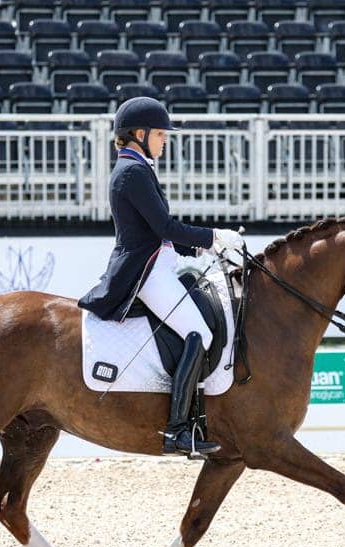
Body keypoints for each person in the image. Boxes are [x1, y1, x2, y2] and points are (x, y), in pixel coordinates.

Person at [78, 96, 245, 456]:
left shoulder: (135, 168)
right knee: (198, 332)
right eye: (160, 133)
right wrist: (213, 236)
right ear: (139, 133)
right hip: (145, 271)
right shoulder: (134, 172)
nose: (165, 139)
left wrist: (204, 248)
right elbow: (165, 226)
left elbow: (161, 234)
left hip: (157, 262)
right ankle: (178, 429)